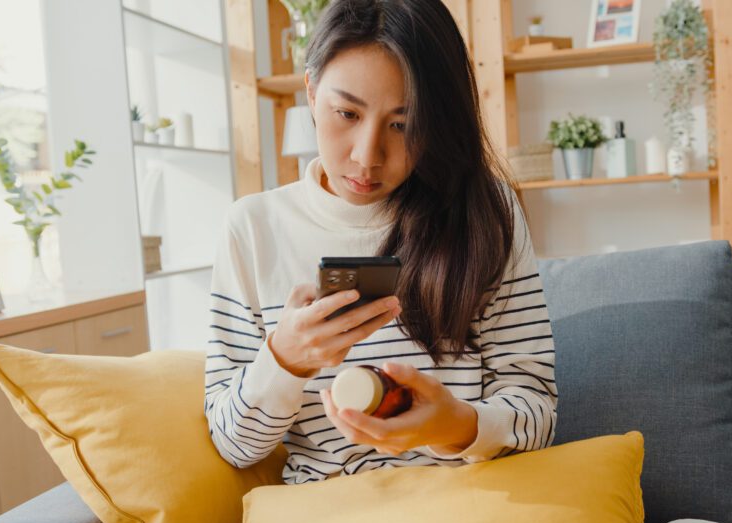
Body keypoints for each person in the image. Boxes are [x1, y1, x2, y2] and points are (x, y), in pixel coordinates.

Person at [204, 0, 556, 485]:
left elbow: (537, 409)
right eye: (347, 112)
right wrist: (284, 358)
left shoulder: (486, 213)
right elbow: (232, 445)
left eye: (402, 124)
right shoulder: (253, 228)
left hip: (468, 506)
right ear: (310, 90)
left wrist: (453, 424)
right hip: (327, 516)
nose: (367, 156)